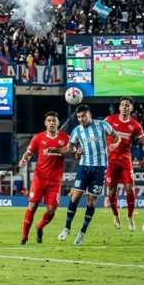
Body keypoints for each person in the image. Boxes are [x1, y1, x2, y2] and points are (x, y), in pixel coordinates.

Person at [49, 104, 120, 245]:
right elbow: (69, 148)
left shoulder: (102, 125)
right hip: (84, 167)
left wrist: (114, 144)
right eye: (79, 117)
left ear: (90, 115)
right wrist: (56, 150)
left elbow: (116, 137)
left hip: (100, 169)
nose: (81, 119)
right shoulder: (77, 131)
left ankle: (82, 233)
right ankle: (67, 228)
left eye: (83, 116)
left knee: (91, 202)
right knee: (75, 197)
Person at [104, 97, 144, 231]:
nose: (124, 107)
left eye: (127, 105)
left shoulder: (135, 125)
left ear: (131, 108)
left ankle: (130, 217)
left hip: (125, 160)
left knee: (130, 189)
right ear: (119, 107)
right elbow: (98, 132)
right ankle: (116, 215)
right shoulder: (109, 120)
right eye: (122, 105)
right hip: (111, 161)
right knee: (111, 190)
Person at [19, 111, 72, 244]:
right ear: (45, 123)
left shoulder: (66, 138)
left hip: (55, 180)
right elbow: (28, 153)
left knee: (51, 211)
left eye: (54, 120)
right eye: (49, 120)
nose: (52, 123)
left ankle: (40, 226)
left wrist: (79, 153)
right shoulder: (38, 138)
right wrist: (24, 159)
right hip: (39, 178)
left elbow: (74, 153)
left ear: (58, 123)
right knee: (32, 206)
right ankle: (24, 238)